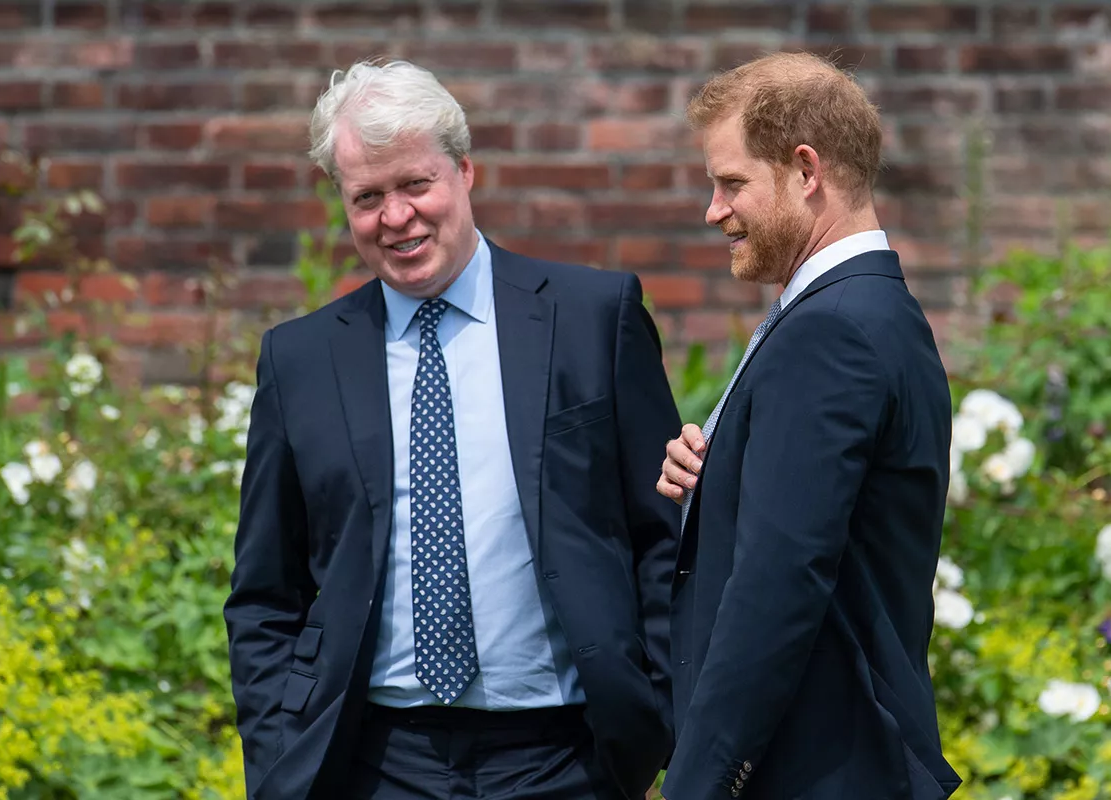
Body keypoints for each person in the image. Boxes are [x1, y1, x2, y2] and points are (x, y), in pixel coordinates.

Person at [224, 59, 680, 800]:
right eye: (367, 197)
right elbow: (266, 591)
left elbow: (663, 536)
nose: (395, 217)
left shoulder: (594, 318)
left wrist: (655, 714)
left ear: (465, 172)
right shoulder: (300, 359)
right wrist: (280, 753)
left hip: (566, 759)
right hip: (374, 764)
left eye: (414, 184)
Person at [655, 52, 962, 800]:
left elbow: (780, 581)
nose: (714, 210)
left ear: (805, 170)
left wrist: (697, 783)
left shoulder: (832, 332)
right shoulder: (872, 313)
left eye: (732, 184)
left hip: (816, 772)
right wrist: (713, 477)